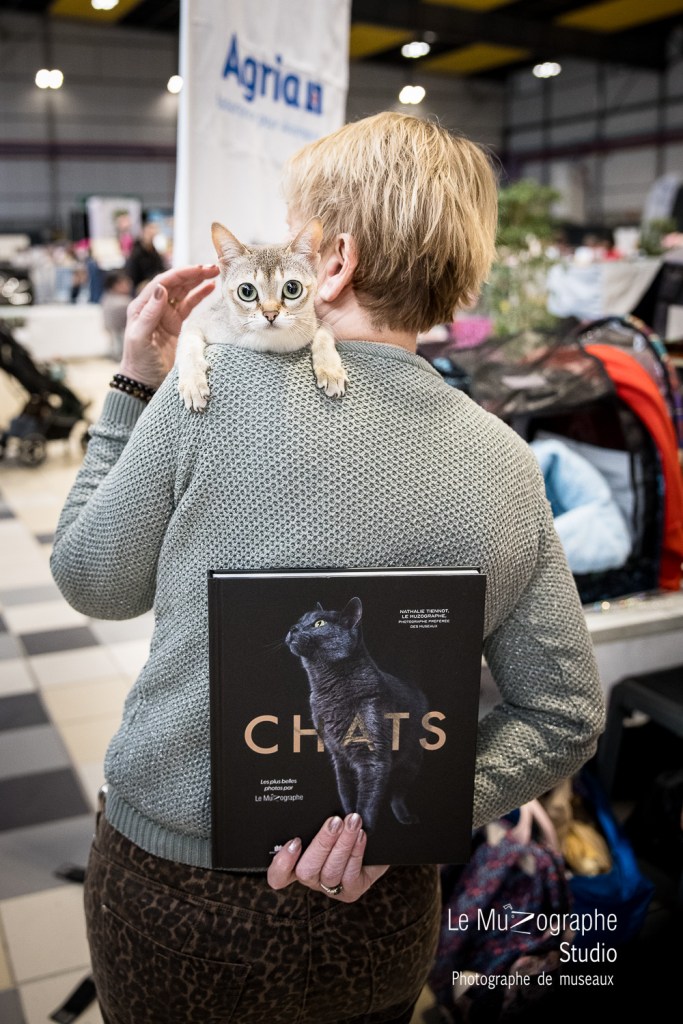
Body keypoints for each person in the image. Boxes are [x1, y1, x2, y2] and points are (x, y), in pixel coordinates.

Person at [50, 112, 605, 1024]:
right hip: (379, 909)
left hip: (179, 895)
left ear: (333, 261)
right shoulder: (505, 459)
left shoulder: (206, 401)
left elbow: (93, 581)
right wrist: (409, 815)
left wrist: (129, 390)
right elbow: (564, 714)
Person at [124, 216, 166, 293]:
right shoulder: (136, 252)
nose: (151, 235)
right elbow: (132, 275)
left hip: (154, 282)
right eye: (149, 232)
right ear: (143, 232)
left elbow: (161, 268)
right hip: (141, 287)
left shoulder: (154, 252)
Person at [100, 270, 132, 359]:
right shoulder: (124, 303)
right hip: (123, 346)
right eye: (124, 283)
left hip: (114, 343)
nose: (128, 284)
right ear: (114, 285)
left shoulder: (106, 298)